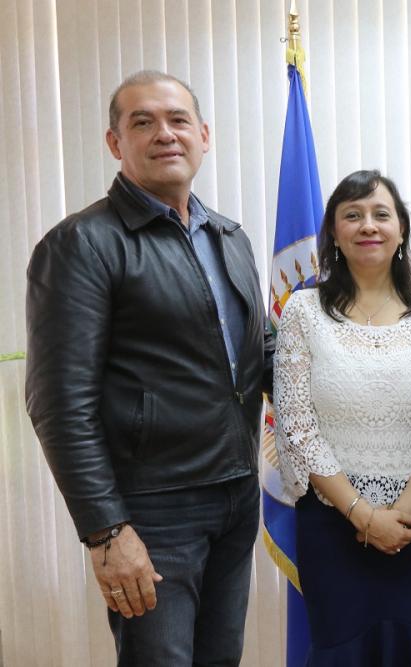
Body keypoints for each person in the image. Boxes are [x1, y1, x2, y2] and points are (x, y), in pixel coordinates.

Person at [25, 70, 271, 665]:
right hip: (154, 510)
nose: (165, 134)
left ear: (204, 135)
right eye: (143, 122)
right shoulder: (81, 244)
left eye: (178, 119)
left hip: (236, 495)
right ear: (115, 143)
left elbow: (258, 357)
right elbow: (59, 403)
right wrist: (107, 531)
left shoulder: (228, 237)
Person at [273, 169, 411, 666]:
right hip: (332, 523)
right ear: (334, 232)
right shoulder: (303, 311)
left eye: (381, 214)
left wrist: (402, 513)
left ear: (402, 229)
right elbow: (297, 425)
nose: (368, 225)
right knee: (342, 648)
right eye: (352, 215)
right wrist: (363, 514)